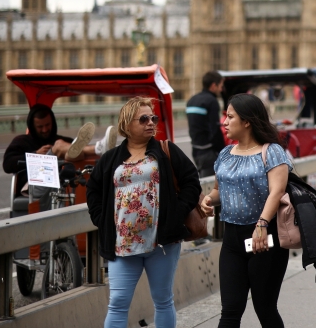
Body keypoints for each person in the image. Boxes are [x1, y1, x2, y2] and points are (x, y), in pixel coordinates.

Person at [86, 97, 201, 328]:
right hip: (123, 243)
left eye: (153, 118)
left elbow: (191, 181)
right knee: (117, 302)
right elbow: (93, 190)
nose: (151, 123)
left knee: (163, 300)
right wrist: (102, 220)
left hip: (162, 244)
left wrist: (176, 214)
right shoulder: (110, 159)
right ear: (127, 125)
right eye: (144, 119)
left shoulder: (165, 151)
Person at [199, 94, 292, 328]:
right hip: (231, 240)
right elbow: (220, 190)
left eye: (230, 116)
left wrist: (261, 225)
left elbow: (277, 191)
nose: (225, 121)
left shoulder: (272, 152)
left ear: (247, 121)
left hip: (265, 238)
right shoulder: (225, 154)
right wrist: (209, 199)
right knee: (230, 310)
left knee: (265, 308)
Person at [3, 104, 101, 209]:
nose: (45, 130)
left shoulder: (63, 140)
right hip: (37, 184)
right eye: (40, 127)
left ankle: (100, 150)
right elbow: (8, 164)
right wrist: (35, 154)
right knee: (58, 146)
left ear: (53, 123)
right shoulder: (22, 141)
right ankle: (98, 148)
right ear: (32, 126)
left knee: (75, 153)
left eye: (47, 125)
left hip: (62, 184)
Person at [187, 71, 227, 177]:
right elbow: (215, 130)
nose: (221, 89)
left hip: (196, 150)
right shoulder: (211, 101)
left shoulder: (192, 100)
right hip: (208, 152)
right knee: (211, 187)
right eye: (220, 86)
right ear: (214, 86)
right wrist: (223, 151)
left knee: (203, 181)